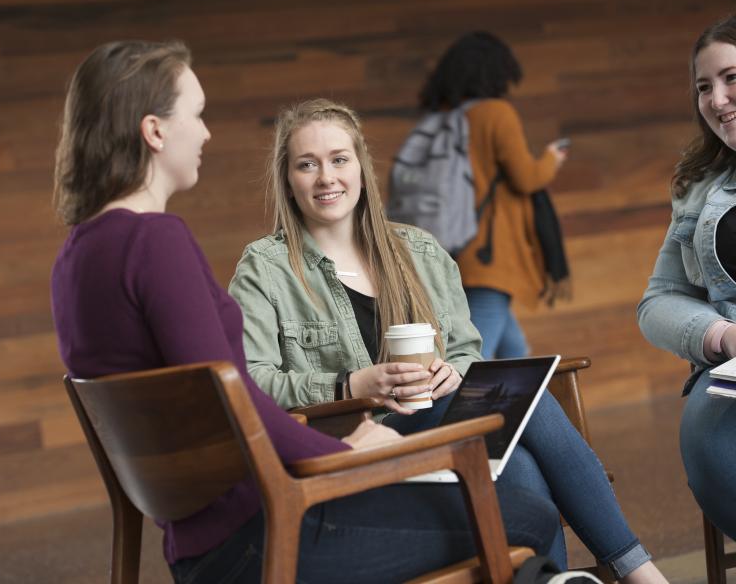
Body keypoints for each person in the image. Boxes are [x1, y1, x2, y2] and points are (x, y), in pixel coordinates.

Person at [49, 40, 560, 584]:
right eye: (197, 116)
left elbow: (222, 404)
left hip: (206, 539)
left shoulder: (76, 255)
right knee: (528, 516)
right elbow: (234, 403)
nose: (205, 133)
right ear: (154, 131)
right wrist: (349, 450)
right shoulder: (156, 242)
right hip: (269, 531)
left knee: (515, 476)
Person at [228, 98, 667, 583]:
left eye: (339, 159)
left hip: (439, 423)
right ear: (288, 179)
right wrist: (351, 383)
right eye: (306, 165)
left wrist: (451, 371)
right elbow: (251, 383)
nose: (326, 177)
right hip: (357, 443)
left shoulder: (420, 251)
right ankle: (639, 573)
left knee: (516, 455)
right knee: (528, 412)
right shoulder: (264, 269)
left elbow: (464, 351)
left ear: (361, 167)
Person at [638, 14, 736, 541]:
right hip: (731, 380)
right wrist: (721, 336)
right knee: (714, 440)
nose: (717, 100)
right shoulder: (698, 186)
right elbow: (660, 300)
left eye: (731, 78)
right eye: (704, 87)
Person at [419, 31, 571, 360]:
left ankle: (530, 410)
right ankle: (462, 413)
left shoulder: (442, 121)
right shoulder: (495, 115)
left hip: (451, 248)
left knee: (514, 352)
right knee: (473, 361)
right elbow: (526, 178)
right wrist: (551, 159)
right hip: (490, 251)